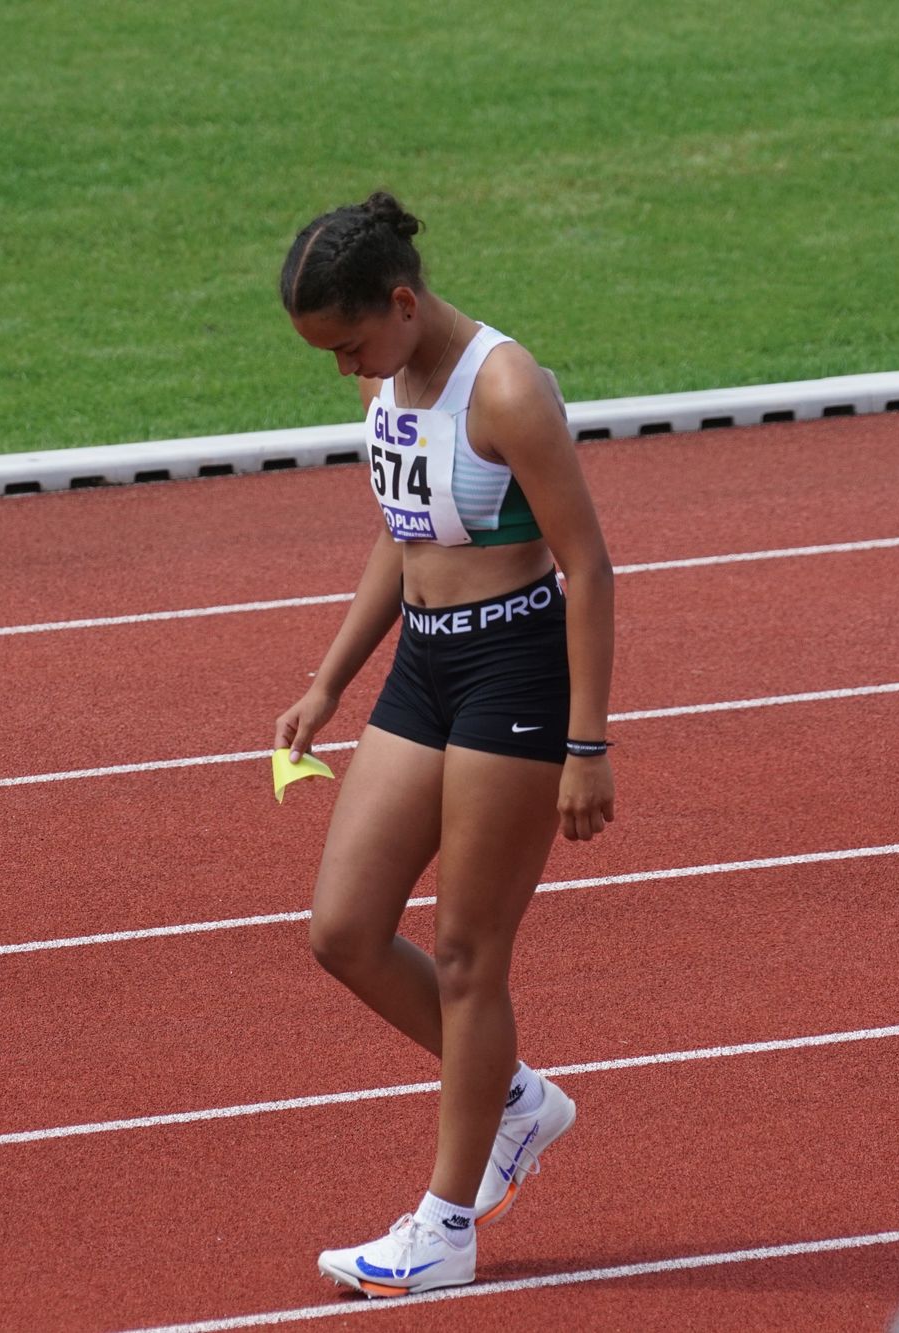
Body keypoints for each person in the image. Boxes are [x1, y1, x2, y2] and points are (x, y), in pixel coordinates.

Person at [272, 190, 617, 1298]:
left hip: (515, 672)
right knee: (342, 929)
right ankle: (514, 1097)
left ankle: (445, 1226)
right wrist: (330, 679)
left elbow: (588, 565)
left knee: (468, 954)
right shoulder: (387, 379)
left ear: (404, 303)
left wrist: (587, 744)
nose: (345, 369)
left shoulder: (505, 389)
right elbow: (403, 531)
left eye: (350, 344)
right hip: (425, 664)